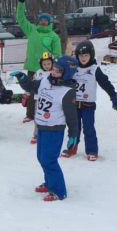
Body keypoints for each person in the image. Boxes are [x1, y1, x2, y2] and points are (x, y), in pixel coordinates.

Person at [12, 56, 79, 201]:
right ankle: (50, 183)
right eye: (53, 68)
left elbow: (72, 116)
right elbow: (31, 86)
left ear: (67, 73)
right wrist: (23, 78)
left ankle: (59, 191)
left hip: (55, 130)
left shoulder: (67, 91)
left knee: (49, 160)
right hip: (42, 126)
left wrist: (73, 135)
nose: (53, 72)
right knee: (41, 158)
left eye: (58, 70)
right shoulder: (45, 80)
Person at [62, 40, 117, 161]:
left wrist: (113, 97)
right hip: (74, 105)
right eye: (81, 55)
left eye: (86, 55)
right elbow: (64, 81)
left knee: (89, 129)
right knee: (74, 128)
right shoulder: (73, 68)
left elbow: (106, 84)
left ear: (91, 55)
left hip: (88, 105)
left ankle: (92, 150)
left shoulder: (94, 70)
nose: (83, 58)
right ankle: (72, 148)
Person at [15, 0, 62, 80]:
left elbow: (57, 55)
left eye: (45, 20)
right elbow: (21, 19)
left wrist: (51, 67)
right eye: (41, 19)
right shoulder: (32, 30)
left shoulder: (54, 37)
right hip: (32, 70)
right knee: (32, 93)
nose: (43, 21)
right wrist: (21, 3)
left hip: (47, 71)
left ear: (50, 22)